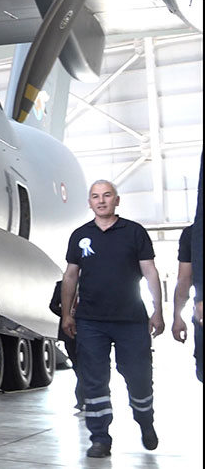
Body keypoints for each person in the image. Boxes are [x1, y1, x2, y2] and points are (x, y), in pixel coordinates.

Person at [60, 180, 164, 458]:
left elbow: (150, 272)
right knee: (94, 379)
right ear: (90, 203)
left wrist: (158, 311)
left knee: (138, 376)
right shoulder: (80, 235)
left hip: (131, 320)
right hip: (91, 321)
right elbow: (70, 276)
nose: (101, 200)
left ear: (116, 200)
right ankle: (100, 438)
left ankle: (145, 421)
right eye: (95, 196)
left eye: (107, 195)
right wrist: (67, 313)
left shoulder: (134, 232)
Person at [170, 225, 202, 382]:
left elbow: (184, 279)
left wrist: (178, 316)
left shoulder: (193, 233)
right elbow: (184, 279)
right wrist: (178, 316)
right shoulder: (192, 234)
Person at [50, 280, 84, 409]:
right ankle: (82, 397)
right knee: (77, 365)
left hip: (88, 330)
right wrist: (66, 315)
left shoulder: (90, 281)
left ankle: (83, 397)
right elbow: (53, 305)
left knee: (87, 365)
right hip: (69, 332)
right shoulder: (61, 285)